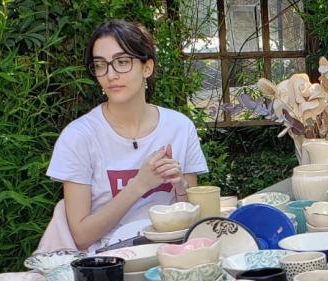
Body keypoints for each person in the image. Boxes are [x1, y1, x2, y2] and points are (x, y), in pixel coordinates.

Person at [42, 20, 207, 252]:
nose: (110, 74)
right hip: (106, 264)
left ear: (147, 67)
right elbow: (81, 236)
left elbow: (193, 221)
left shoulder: (180, 127)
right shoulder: (78, 137)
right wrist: (139, 184)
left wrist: (180, 186)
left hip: (171, 255)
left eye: (122, 62)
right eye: (101, 65)